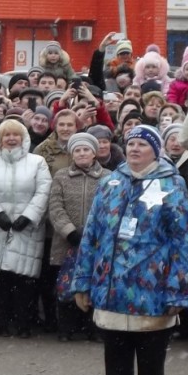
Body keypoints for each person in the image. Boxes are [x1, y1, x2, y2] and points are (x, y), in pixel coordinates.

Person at [72, 125, 188, 375]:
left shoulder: (172, 185)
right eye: (131, 143)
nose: (135, 149)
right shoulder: (110, 182)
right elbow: (92, 236)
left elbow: (184, 241)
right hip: (112, 292)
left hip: (153, 294)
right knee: (116, 368)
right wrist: (82, 281)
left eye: (143, 144)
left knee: (152, 370)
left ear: (155, 150)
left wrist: (179, 291)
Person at [0, 119, 52, 338]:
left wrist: (28, 216)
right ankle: (0, 322)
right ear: (0, 139)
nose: (11, 139)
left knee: (24, 278)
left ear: (23, 138)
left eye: (15, 135)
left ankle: (24, 324)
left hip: (27, 228)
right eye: (6, 135)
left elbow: (44, 190)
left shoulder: (37, 162)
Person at [49, 133, 110, 341]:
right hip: (68, 241)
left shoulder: (108, 178)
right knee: (66, 285)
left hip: (97, 242)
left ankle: (93, 328)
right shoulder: (61, 176)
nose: (82, 153)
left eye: (86, 149)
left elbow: (110, 208)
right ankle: (67, 329)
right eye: (77, 150)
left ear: (94, 153)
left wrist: (96, 233)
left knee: (94, 283)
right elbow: (55, 207)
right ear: (72, 153)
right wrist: (70, 231)